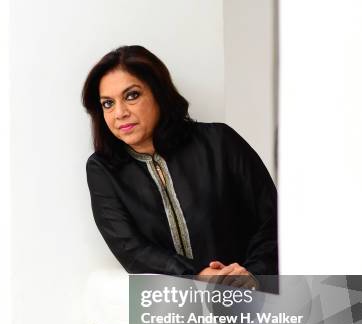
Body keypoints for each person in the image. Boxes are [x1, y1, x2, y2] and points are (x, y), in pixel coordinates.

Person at [82, 45, 278, 289]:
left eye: (131, 95)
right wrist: (199, 274)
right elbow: (131, 248)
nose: (119, 113)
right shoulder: (104, 170)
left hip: (255, 292)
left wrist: (253, 273)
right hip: (178, 301)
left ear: (159, 93)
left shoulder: (219, 143)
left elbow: (273, 218)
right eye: (108, 103)